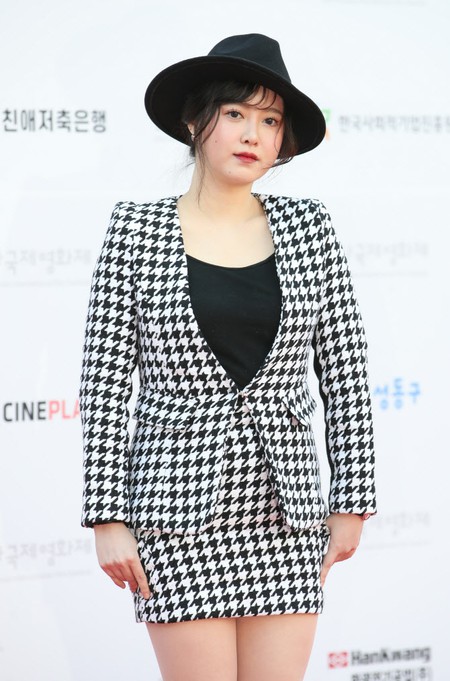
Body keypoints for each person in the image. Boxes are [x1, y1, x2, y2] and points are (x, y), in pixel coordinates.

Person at [79, 33, 376, 681]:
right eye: (236, 113)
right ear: (195, 122)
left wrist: (352, 500)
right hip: (175, 514)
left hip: (285, 514)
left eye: (270, 121)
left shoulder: (309, 228)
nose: (252, 134)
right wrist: (107, 517)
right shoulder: (135, 230)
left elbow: (346, 374)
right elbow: (104, 386)